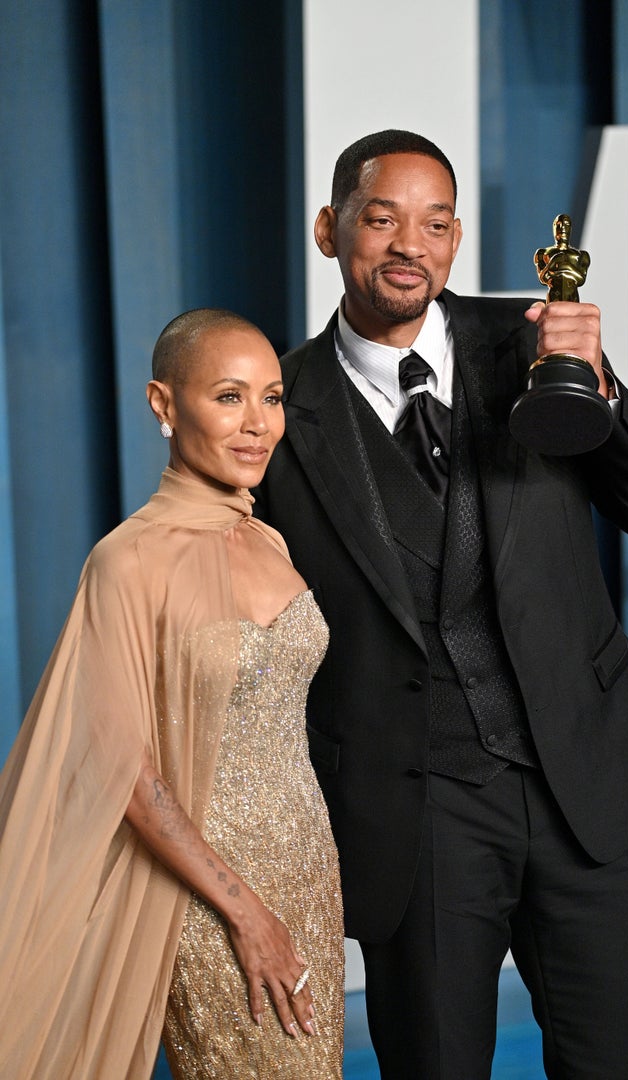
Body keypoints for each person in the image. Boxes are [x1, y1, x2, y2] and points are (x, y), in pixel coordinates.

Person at [252, 130, 628, 1079]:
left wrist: (606, 389)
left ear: (457, 241)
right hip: (416, 817)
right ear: (330, 230)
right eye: (382, 220)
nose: (410, 244)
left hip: (588, 785)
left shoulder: (535, 343)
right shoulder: (278, 410)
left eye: (436, 223)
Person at [0, 310, 344, 1079]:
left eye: (272, 398)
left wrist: (284, 903)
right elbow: (124, 770)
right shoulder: (126, 563)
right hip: (209, 901)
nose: (258, 425)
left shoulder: (268, 539)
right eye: (229, 397)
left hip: (309, 876)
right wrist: (246, 912)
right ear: (163, 404)